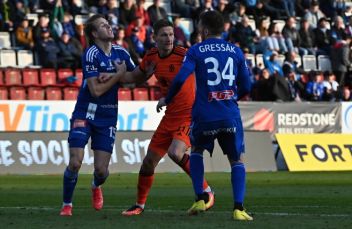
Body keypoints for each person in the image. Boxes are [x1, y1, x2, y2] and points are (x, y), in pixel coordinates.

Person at [157, 10, 253, 220]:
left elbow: (181, 77)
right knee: (237, 160)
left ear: (205, 29)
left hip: (204, 115)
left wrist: (168, 98)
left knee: (197, 150)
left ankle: (200, 198)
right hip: (229, 114)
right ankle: (239, 208)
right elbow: (247, 85)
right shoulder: (236, 51)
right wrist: (231, 96)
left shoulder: (196, 51)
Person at [113, 19, 215, 216]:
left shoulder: (184, 55)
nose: (169, 39)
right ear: (154, 38)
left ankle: (207, 192)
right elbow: (135, 77)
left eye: (171, 34)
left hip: (189, 115)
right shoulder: (151, 57)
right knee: (148, 163)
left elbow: (207, 73)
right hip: (169, 117)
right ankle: (139, 205)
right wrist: (116, 75)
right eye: (164, 35)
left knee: (176, 152)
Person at [59, 14, 136, 216]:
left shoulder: (122, 52)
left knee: (102, 171)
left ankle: (95, 185)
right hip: (85, 112)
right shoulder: (91, 54)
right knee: (75, 162)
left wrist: (112, 76)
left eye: (109, 24)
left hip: (108, 116)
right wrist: (119, 75)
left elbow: (135, 79)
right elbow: (96, 91)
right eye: (103, 25)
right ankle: (67, 204)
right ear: (94, 33)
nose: (109, 27)